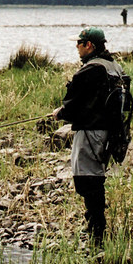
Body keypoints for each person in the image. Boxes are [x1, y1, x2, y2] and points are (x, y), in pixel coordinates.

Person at [53, 27, 126, 245]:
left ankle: (97, 230)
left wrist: (61, 113)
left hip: (91, 132)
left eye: (79, 43)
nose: (76, 47)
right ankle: (96, 226)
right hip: (112, 133)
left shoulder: (89, 70)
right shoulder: (115, 67)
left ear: (89, 46)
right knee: (95, 176)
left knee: (88, 178)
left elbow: (74, 105)